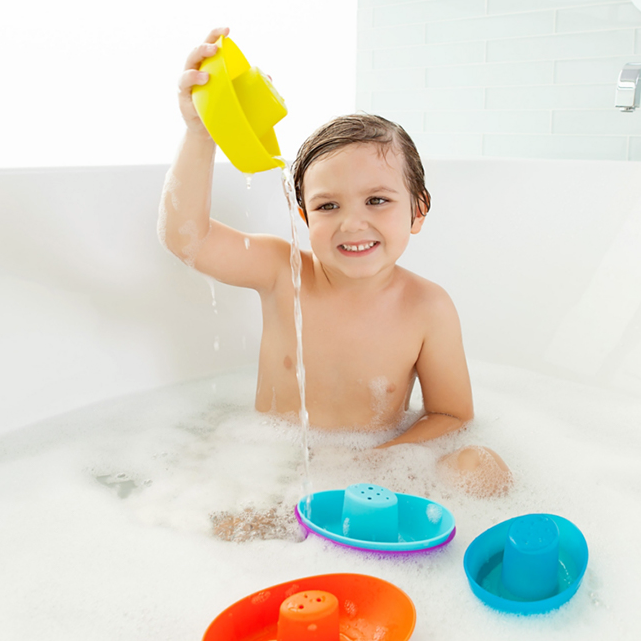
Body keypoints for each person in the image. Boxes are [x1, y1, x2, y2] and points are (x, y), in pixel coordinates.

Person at [160, 27, 511, 499]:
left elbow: (451, 416)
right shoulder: (281, 270)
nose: (352, 224)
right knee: (226, 511)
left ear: (418, 210)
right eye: (328, 207)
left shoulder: (428, 307)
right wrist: (199, 133)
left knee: (482, 467)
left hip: (371, 468)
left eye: (377, 200)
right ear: (304, 217)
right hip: (271, 465)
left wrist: (381, 460)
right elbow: (188, 239)